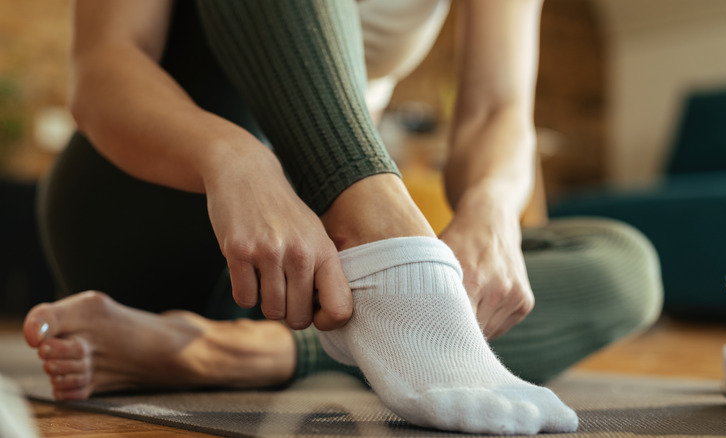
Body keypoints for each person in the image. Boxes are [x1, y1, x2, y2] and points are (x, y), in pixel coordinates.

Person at [23, 0, 662, 435]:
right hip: (163, 201)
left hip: (323, 269)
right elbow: (103, 66)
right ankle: (391, 252)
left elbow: (497, 108)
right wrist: (236, 160)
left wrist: (491, 209)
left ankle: (235, 353)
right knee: (400, 266)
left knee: (624, 265)